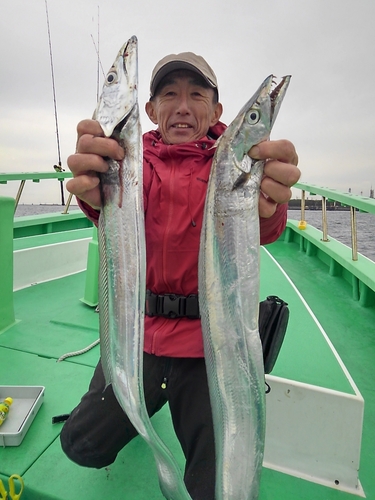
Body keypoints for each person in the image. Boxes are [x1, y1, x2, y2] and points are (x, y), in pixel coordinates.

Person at [60, 51, 300, 499]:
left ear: (216, 111)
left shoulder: (234, 163)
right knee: (80, 446)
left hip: (209, 348)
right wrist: (94, 191)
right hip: (141, 338)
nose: (183, 106)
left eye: (197, 94)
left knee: (216, 487)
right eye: (169, 94)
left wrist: (268, 203)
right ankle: (142, 411)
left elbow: (265, 223)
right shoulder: (128, 164)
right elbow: (104, 205)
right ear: (150, 111)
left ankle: (241, 363)